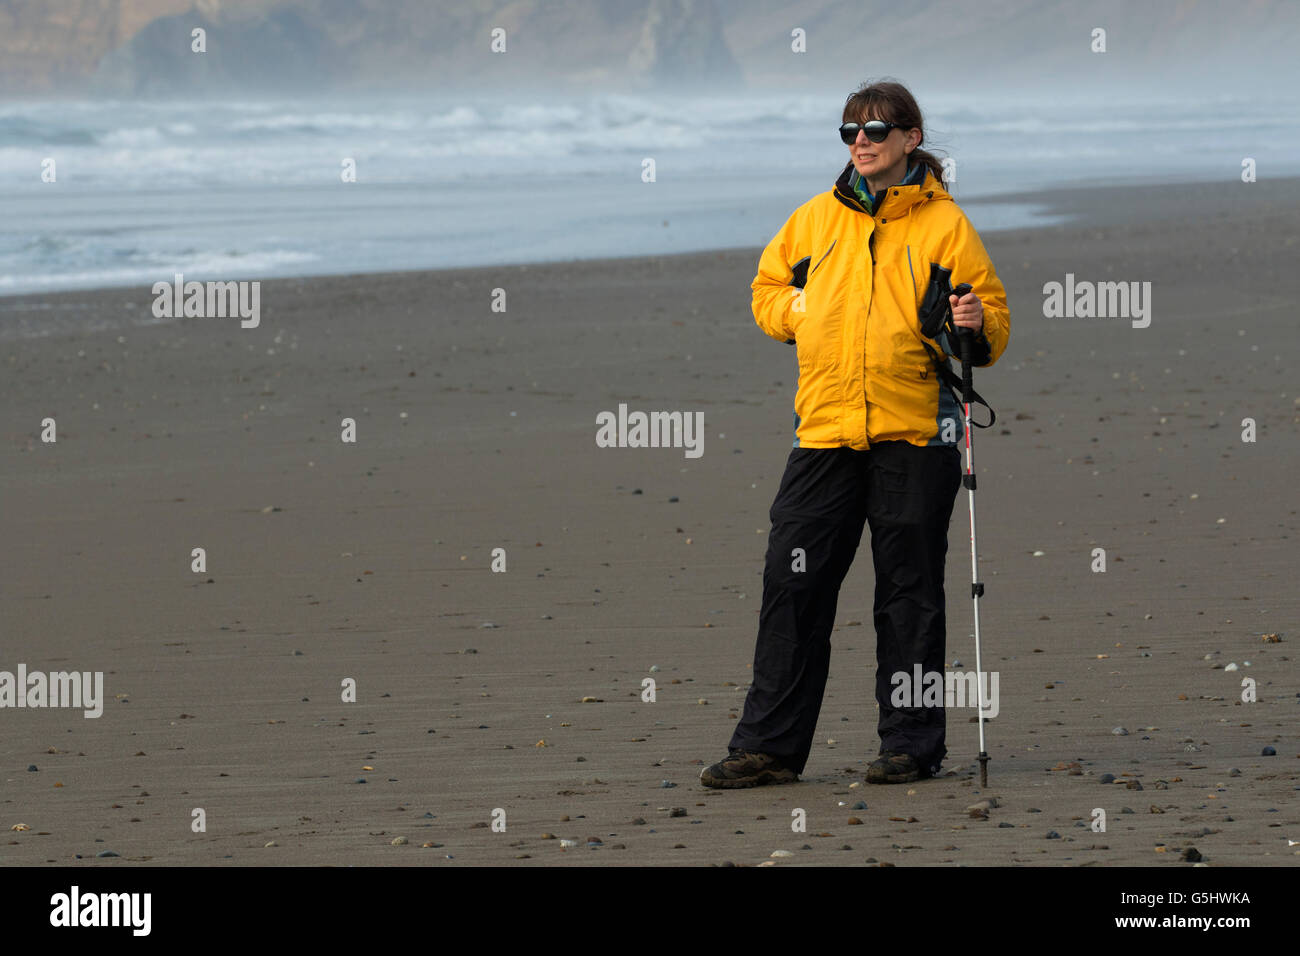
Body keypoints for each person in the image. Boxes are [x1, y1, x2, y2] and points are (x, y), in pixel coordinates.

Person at [701, 79, 1010, 788]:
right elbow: (767, 289)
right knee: (793, 584)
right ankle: (770, 749)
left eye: (875, 130)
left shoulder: (945, 226)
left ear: (910, 139)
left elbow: (990, 318)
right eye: (850, 131)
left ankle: (910, 746)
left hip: (916, 433)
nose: (861, 142)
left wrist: (974, 327)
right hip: (826, 432)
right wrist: (802, 314)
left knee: (908, 594)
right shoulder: (814, 219)